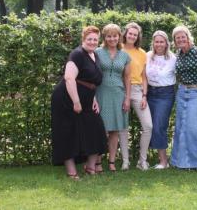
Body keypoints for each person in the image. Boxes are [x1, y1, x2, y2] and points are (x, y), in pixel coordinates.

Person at [51, 26, 108, 180]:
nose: (92, 41)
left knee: (96, 130)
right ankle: (71, 172)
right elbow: (69, 78)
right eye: (89, 39)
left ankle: (90, 167)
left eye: (95, 39)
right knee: (68, 133)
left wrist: (93, 98)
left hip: (87, 99)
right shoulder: (77, 54)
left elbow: (89, 81)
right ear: (83, 39)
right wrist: (76, 102)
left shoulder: (94, 54)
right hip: (66, 98)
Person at [170, 25, 197, 173]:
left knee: (192, 129)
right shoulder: (178, 54)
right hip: (182, 92)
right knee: (181, 128)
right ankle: (180, 162)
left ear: (188, 37)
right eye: (177, 38)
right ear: (175, 41)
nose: (181, 39)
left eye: (183, 36)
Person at [95, 24, 131, 172]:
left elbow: (127, 78)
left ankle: (111, 162)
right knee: (100, 129)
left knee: (115, 130)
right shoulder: (97, 52)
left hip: (118, 94)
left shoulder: (125, 55)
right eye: (109, 36)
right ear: (104, 37)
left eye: (115, 35)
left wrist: (127, 98)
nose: (112, 38)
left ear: (119, 37)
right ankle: (97, 162)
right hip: (100, 93)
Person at [122, 22, 153, 170]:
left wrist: (145, 95)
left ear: (137, 36)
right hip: (120, 90)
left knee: (148, 126)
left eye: (135, 34)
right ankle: (125, 161)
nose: (132, 36)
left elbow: (144, 76)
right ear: (125, 33)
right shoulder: (118, 49)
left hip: (137, 90)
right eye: (130, 33)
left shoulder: (142, 53)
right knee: (122, 127)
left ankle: (142, 161)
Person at [146, 30, 176, 169]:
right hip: (150, 93)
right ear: (153, 43)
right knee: (150, 127)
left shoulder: (173, 58)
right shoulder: (147, 56)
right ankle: (149, 158)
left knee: (159, 126)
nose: (159, 44)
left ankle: (164, 162)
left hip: (165, 94)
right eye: (156, 41)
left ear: (166, 43)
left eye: (161, 41)